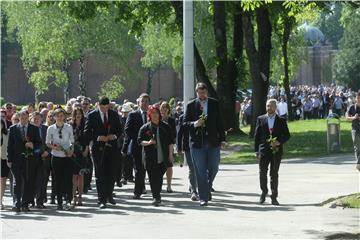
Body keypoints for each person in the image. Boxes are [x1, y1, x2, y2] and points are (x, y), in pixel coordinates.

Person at [184, 82, 226, 206]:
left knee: (214, 167)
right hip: (197, 143)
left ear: (206, 92)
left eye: (203, 92)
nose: (202, 95)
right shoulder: (191, 105)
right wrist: (195, 124)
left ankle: (207, 187)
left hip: (213, 142)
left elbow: (219, 122)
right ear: (196, 93)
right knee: (200, 171)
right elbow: (184, 123)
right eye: (199, 92)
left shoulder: (214, 103)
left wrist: (222, 139)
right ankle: (203, 197)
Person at [84, 96, 122, 209]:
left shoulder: (114, 114)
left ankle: (109, 195)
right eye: (103, 107)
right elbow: (86, 132)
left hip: (112, 148)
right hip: (98, 149)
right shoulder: (92, 115)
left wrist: (113, 136)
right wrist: (97, 137)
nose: (105, 109)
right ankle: (101, 199)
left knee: (111, 173)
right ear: (99, 105)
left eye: (107, 107)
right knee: (100, 174)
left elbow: (120, 130)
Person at [254, 99, 291, 205]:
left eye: (270, 106)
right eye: (267, 106)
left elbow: (287, 135)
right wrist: (256, 151)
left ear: (275, 107)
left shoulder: (281, 120)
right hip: (263, 150)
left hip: (276, 151)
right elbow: (256, 136)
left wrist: (279, 142)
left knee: (274, 174)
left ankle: (274, 196)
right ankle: (263, 192)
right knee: (262, 172)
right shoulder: (260, 119)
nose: (268, 108)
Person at [138, 106, 174, 206]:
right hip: (150, 158)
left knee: (159, 177)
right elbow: (140, 141)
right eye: (152, 113)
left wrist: (171, 155)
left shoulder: (166, 126)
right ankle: (156, 196)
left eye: (156, 113)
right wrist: (148, 142)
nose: (155, 115)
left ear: (159, 114)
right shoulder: (145, 127)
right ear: (149, 115)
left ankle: (157, 194)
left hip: (163, 157)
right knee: (152, 177)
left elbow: (171, 142)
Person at [7, 110, 41, 212]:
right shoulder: (13, 129)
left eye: (26, 118)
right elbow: (10, 146)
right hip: (16, 160)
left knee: (27, 182)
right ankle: (16, 203)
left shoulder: (34, 128)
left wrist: (33, 146)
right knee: (17, 182)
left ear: (28, 118)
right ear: (19, 118)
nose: (23, 120)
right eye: (22, 118)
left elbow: (39, 144)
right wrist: (9, 159)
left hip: (29, 160)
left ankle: (25, 203)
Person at [46, 108, 74, 210]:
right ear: (54, 117)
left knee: (68, 179)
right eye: (57, 116)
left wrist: (71, 150)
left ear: (64, 117)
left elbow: (72, 141)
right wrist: (55, 147)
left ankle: (68, 200)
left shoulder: (68, 127)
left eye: (62, 115)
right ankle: (59, 202)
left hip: (67, 156)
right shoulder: (51, 128)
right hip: (56, 156)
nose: (60, 117)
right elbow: (48, 143)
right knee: (57, 179)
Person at [125, 93, 150, 199]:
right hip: (137, 146)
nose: (144, 103)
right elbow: (127, 130)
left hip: (150, 146)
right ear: (138, 103)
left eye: (146, 101)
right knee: (139, 170)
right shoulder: (133, 115)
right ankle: (137, 191)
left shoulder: (152, 114)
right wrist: (139, 139)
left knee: (148, 169)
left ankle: (152, 190)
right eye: (142, 101)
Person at [70, 107, 89, 207]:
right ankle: (73, 197)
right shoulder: (70, 125)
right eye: (76, 113)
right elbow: (68, 139)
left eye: (79, 113)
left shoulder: (85, 125)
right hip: (73, 153)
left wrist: (87, 149)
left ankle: (80, 197)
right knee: (74, 177)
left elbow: (88, 138)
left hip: (82, 153)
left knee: (81, 176)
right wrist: (70, 150)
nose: (78, 115)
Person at [177, 113, 198, 201]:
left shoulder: (203, 115)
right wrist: (179, 148)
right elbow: (180, 133)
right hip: (188, 147)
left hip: (202, 146)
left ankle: (194, 186)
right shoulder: (183, 117)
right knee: (192, 168)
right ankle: (194, 191)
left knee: (199, 169)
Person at [31, 111, 50, 209]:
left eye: (38, 118)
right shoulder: (29, 129)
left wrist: (48, 151)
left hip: (44, 158)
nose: (36, 120)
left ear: (42, 119)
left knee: (42, 180)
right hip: (32, 158)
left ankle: (40, 201)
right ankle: (31, 200)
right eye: (34, 118)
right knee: (32, 180)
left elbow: (51, 141)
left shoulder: (46, 129)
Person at [159, 102, 176, 193]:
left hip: (168, 146)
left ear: (168, 109)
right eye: (162, 108)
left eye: (166, 108)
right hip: (158, 146)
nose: (164, 109)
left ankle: (169, 186)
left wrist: (172, 150)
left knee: (169, 166)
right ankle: (158, 185)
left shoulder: (172, 121)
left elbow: (173, 135)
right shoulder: (156, 119)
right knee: (159, 166)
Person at [346, 90, 360, 171]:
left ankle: (358, 164)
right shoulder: (352, 107)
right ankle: (359, 163)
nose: (358, 100)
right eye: (357, 98)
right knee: (357, 147)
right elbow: (347, 117)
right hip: (355, 129)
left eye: (359, 98)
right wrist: (354, 117)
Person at [1, 119, 10, 210]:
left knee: (2, 181)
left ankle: (0, 200)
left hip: (4, 160)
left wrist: (9, 159)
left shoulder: (7, 135)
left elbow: (9, 147)